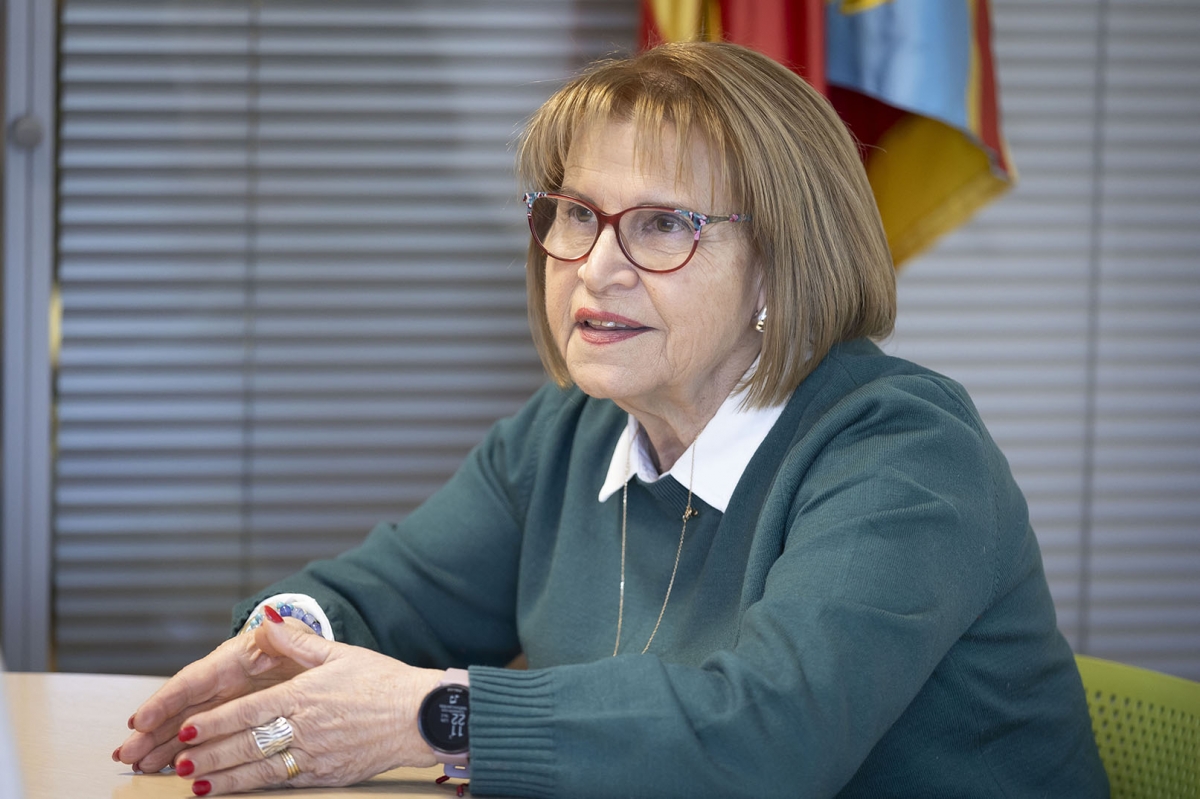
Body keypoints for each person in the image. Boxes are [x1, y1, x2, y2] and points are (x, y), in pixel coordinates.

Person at [114, 41, 1108, 798]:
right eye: (576, 213)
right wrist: (281, 645)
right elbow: (386, 593)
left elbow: (772, 731)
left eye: (665, 223)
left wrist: (431, 714)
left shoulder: (904, 450)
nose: (595, 264)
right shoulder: (568, 436)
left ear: (782, 262)